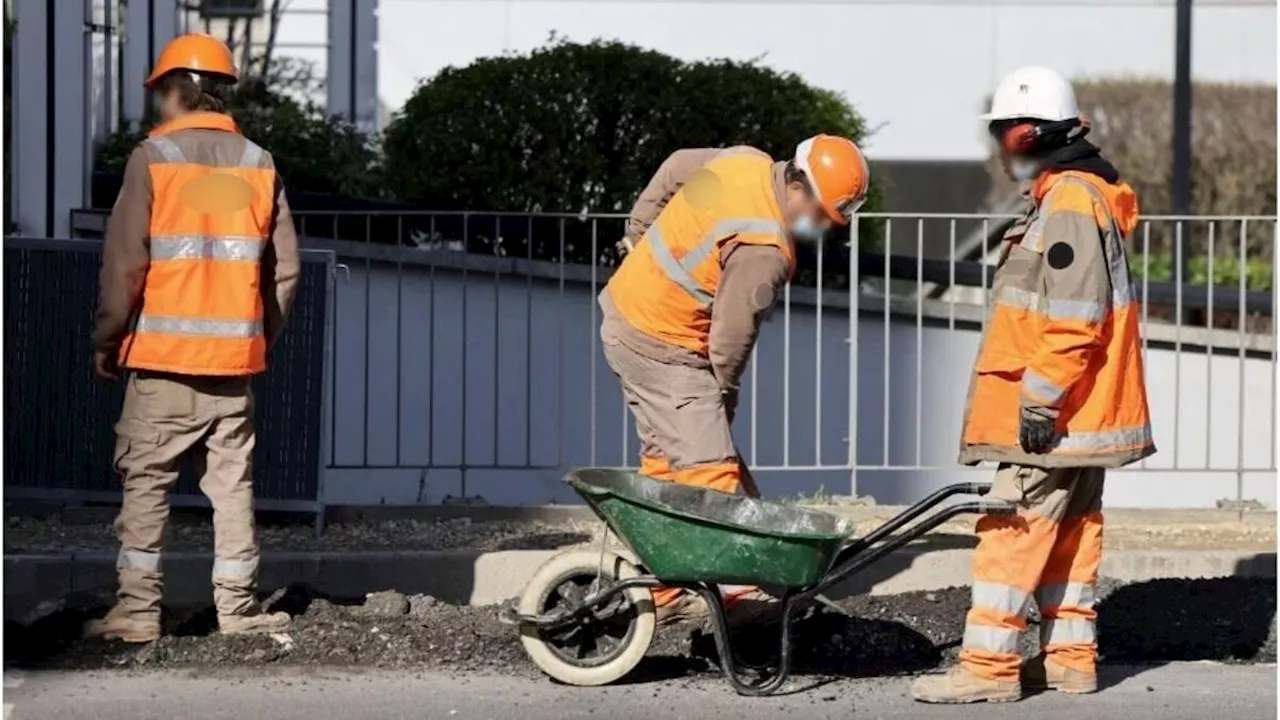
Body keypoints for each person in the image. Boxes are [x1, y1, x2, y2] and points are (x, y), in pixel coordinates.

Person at [911, 66, 1155, 704]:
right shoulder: (1077, 194)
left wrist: (1041, 399)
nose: (1000, 150)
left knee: (1013, 525)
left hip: (1051, 414)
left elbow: (1075, 314)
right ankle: (1070, 660)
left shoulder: (1070, 199)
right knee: (1072, 532)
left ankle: (988, 669)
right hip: (1084, 414)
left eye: (1003, 136)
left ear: (1026, 133)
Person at [83, 33, 300, 643]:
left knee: (147, 486)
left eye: (159, 93)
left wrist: (108, 339)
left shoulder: (152, 159)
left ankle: (137, 612)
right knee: (232, 490)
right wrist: (255, 340)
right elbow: (284, 272)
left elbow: (126, 265)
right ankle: (238, 610)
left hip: (160, 365)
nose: (157, 105)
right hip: (232, 369)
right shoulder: (260, 165)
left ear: (177, 89)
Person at [601, 136, 870, 625]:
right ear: (799, 187)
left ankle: (665, 586)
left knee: (666, 460)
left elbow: (677, 164)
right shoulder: (765, 250)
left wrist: (638, 232)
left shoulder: (744, 163)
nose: (820, 229)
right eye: (823, 217)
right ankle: (739, 594)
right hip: (665, 342)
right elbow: (729, 342)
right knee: (710, 469)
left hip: (629, 316)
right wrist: (718, 400)